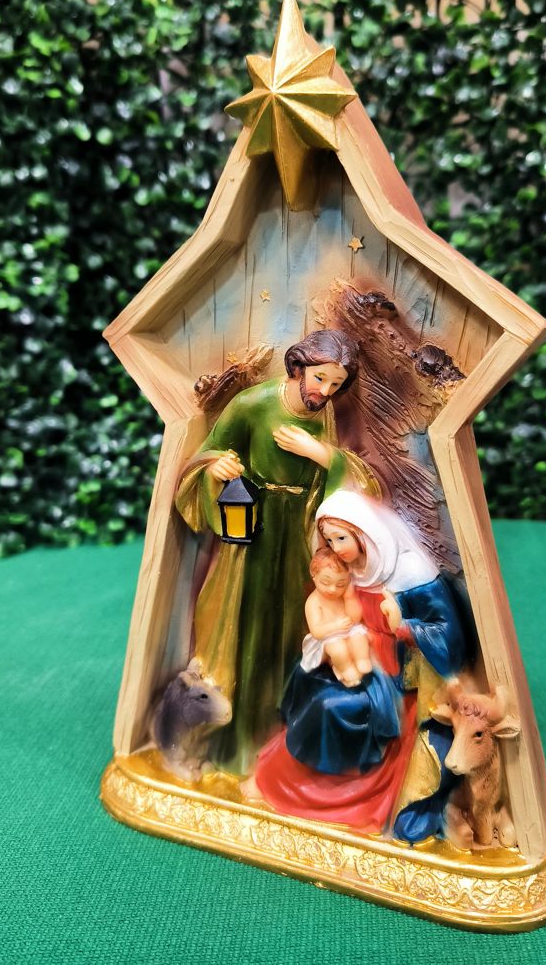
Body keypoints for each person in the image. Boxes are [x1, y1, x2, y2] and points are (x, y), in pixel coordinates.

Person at [174, 332, 378, 776]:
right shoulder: (253, 404)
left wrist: (321, 454)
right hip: (252, 528)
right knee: (246, 626)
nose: (325, 391)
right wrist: (217, 468)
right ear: (298, 367)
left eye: (336, 384)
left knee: (290, 630)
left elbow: (365, 483)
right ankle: (234, 740)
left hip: (301, 536)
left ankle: (282, 740)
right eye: (320, 378)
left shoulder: (328, 418)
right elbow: (207, 455)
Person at [250, 489, 469, 841]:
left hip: (398, 678)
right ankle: (281, 779)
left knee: (330, 707)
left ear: (364, 531)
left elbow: (447, 635)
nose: (335, 548)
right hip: (354, 659)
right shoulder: (346, 570)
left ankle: (320, 790)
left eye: (341, 538)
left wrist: (402, 625)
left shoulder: (411, 573)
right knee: (304, 685)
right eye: (329, 540)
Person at [301, 547, 373, 688]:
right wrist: (336, 626)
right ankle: (345, 668)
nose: (333, 589)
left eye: (340, 584)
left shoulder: (343, 595)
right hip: (327, 637)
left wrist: (349, 598)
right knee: (338, 648)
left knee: (359, 637)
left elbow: (355, 619)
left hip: (347, 630)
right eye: (325, 582)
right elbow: (316, 632)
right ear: (314, 575)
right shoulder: (313, 602)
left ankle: (361, 660)